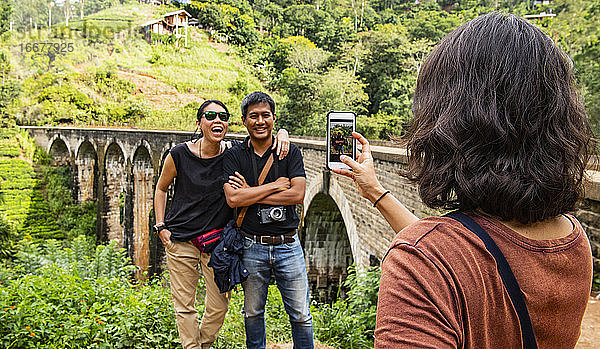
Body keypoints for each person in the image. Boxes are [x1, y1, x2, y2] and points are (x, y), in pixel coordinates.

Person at [333, 12, 593, 349]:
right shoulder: (573, 239)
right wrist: (375, 192)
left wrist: (412, 246)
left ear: (449, 121)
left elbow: (444, 260)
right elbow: (461, 257)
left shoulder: (422, 261)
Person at [153, 99, 290, 349]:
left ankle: (203, 344)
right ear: (199, 122)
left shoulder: (234, 153)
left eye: (223, 116)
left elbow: (261, 138)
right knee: (185, 306)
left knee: (218, 306)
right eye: (210, 115)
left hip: (217, 244)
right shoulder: (179, 154)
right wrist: (161, 226)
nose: (217, 120)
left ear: (228, 124)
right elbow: (161, 189)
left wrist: (282, 133)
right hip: (181, 240)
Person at [223, 91, 314, 349]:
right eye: (254, 116)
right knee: (252, 312)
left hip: (288, 245)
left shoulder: (290, 152)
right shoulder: (234, 155)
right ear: (244, 120)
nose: (260, 121)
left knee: (300, 314)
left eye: (265, 115)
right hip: (252, 245)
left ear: (274, 118)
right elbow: (232, 199)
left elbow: (297, 194)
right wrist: (275, 186)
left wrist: (249, 193)